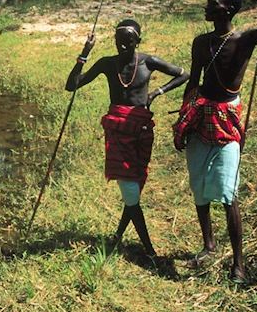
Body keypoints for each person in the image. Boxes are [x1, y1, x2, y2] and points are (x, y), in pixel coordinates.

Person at [173, 0, 257, 282]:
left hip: (226, 120)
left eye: (212, 3)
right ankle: (209, 245)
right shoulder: (200, 43)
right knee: (199, 186)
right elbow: (193, 84)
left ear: (228, 10)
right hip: (199, 117)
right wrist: (183, 121)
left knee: (228, 191)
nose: (207, 7)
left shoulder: (244, 41)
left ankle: (239, 264)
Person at [66, 19, 189, 256]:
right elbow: (72, 86)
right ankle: (150, 250)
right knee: (129, 188)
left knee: (134, 184)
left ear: (137, 41)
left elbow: (183, 74)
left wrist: (157, 92)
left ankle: (118, 237)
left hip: (141, 129)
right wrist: (84, 53)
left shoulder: (148, 62)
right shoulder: (107, 63)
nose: (122, 46)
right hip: (117, 129)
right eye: (119, 42)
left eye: (128, 42)